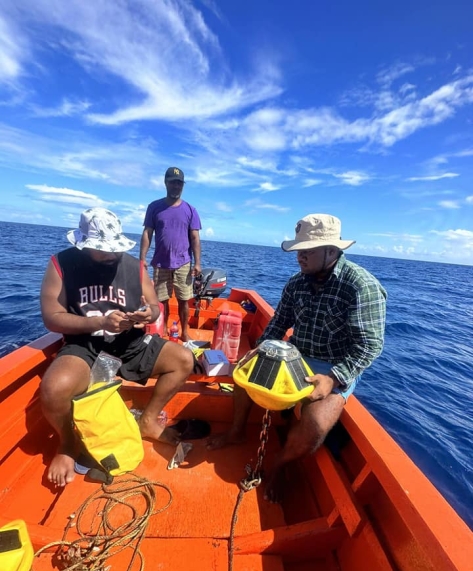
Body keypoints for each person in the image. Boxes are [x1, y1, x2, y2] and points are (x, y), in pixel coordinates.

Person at [207, 214, 387, 502]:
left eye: (307, 251)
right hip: (295, 356)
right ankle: (237, 431)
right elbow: (280, 323)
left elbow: (370, 345)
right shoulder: (296, 283)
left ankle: (281, 465)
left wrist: (334, 379)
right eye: (298, 250)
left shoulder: (361, 286)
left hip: (334, 366)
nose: (299, 257)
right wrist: (259, 349)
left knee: (316, 423)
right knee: (242, 376)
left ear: (331, 250)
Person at [40, 207, 195, 487]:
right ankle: (67, 444)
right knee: (53, 389)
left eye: (113, 248)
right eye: (102, 250)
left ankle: (147, 421)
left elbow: (154, 307)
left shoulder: (133, 265)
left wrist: (149, 314)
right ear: (85, 244)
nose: (111, 255)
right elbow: (52, 317)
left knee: (183, 359)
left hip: (130, 343)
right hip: (85, 346)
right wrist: (98, 321)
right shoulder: (61, 263)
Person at [140, 167, 202, 342]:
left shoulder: (191, 210)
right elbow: (147, 233)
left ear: (182, 186)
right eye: (173, 182)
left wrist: (197, 263)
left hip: (183, 262)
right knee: (162, 300)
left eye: (179, 183)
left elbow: (195, 237)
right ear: (165, 183)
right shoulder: (154, 207)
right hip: (160, 263)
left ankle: (184, 332)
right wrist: (142, 258)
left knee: (184, 300)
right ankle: (164, 329)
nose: (176, 186)